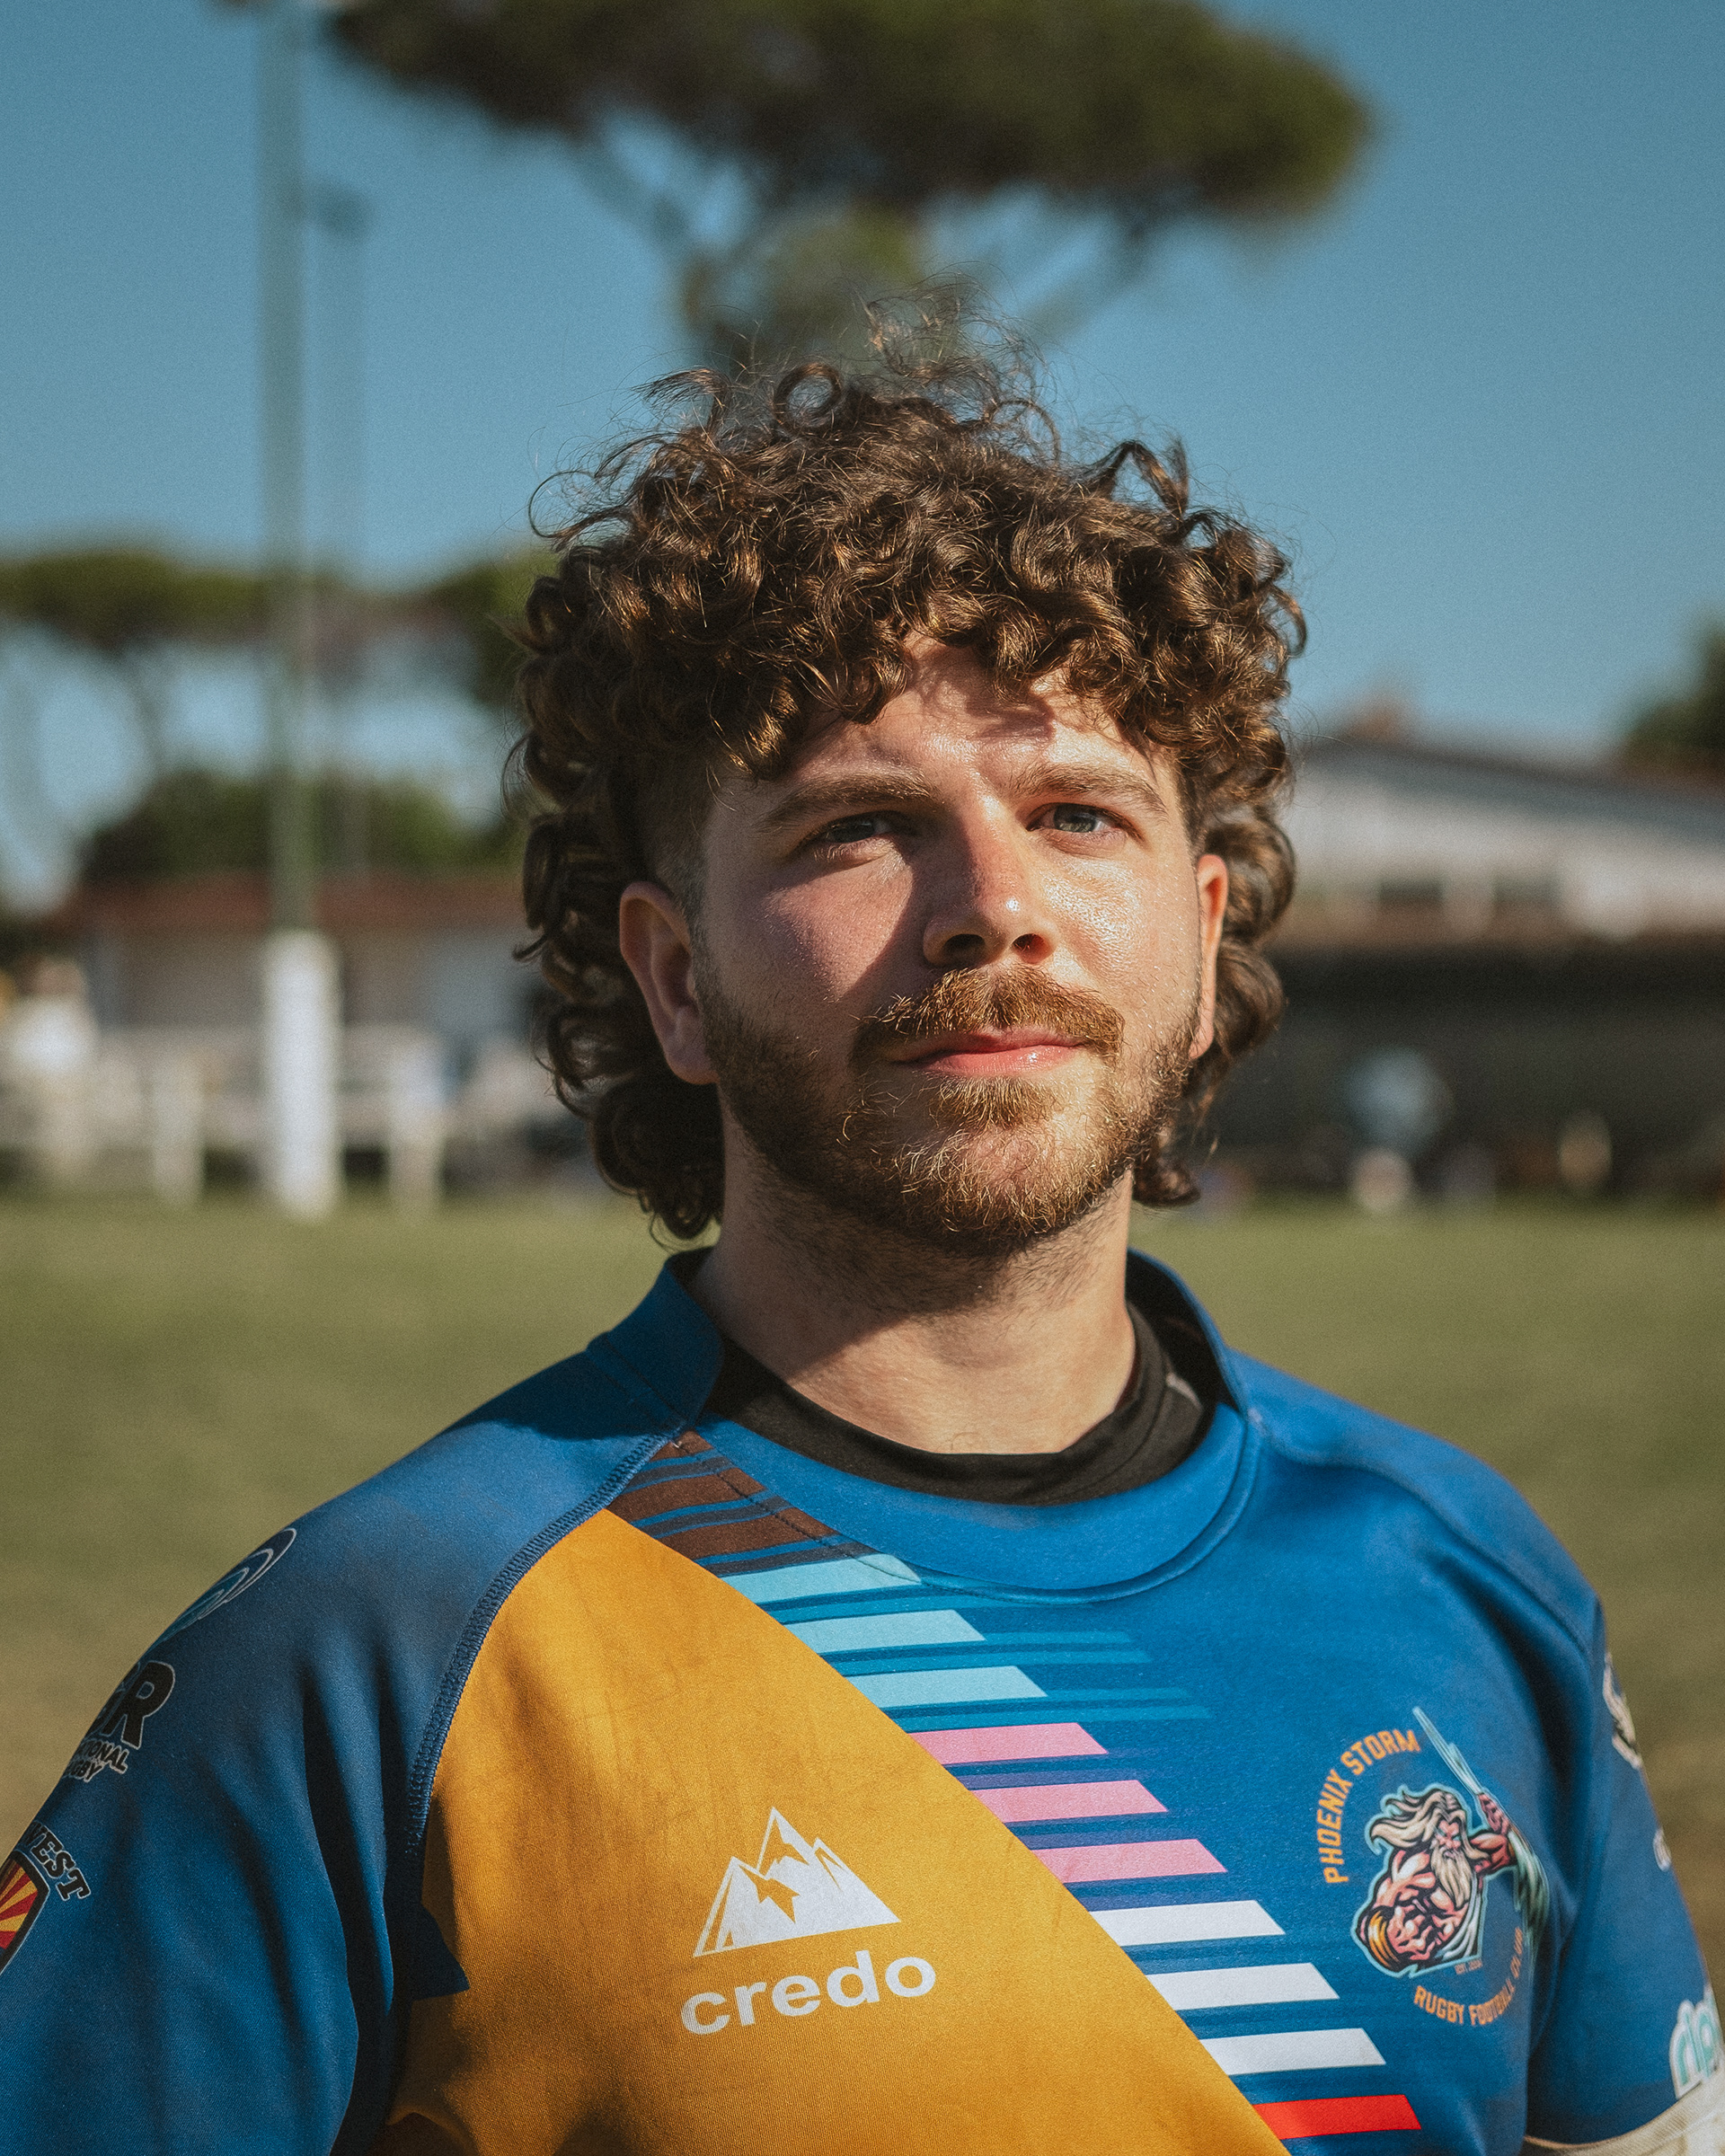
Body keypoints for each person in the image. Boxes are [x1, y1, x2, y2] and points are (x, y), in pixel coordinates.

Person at [2, 340, 1717, 2156]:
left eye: (1076, 813)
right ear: (674, 978)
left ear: (1205, 941)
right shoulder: (372, 1654)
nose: (994, 908)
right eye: (859, 830)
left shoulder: (1469, 1575)